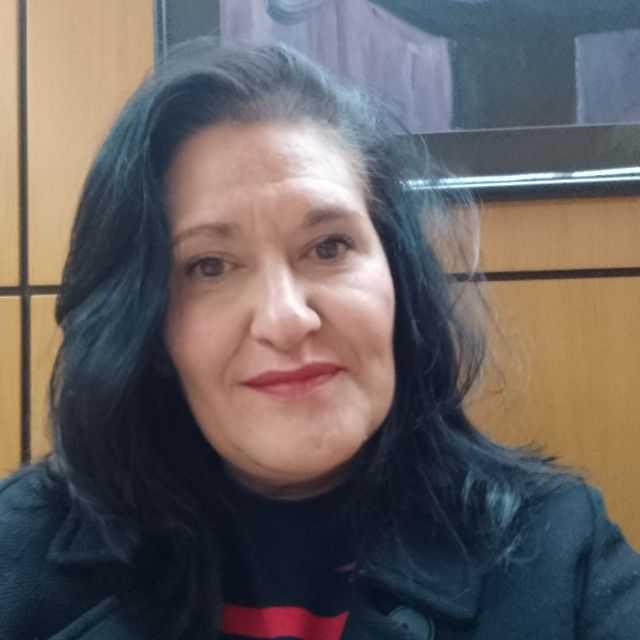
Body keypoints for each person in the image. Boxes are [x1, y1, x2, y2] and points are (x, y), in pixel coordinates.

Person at [1, 38, 638, 640]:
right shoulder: (17, 553)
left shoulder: (560, 551)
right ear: (147, 322)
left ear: (397, 277)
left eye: (328, 247)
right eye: (209, 266)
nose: (285, 319)